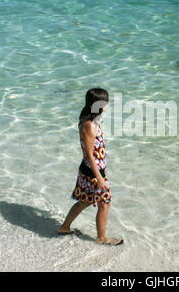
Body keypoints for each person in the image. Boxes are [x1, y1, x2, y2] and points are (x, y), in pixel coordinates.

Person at [57, 87, 124, 246]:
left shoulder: (89, 120)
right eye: (106, 101)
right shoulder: (89, 125)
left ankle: (65, 227)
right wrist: (100, 178)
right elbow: (89, 154)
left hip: (88, 171)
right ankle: (101, 238)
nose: (109, 104)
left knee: (85, 201)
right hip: (93, 173)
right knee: (104, 205)